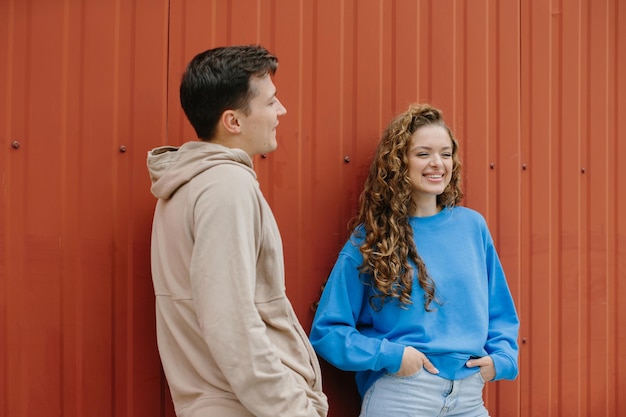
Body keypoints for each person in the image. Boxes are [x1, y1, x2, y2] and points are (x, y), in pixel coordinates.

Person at [147, 45, 328, 417]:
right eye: (271, 102)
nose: (282, 112)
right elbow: (231, 323)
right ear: (233, 121)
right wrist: (293, 409)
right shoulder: (225, 187)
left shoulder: (188, 185)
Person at [309, 103, 519, 416]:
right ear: (398, 162)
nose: (437, 163)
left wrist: (501, 360)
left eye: (445, 154)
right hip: (403, 395)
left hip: (469, 397)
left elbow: (500, 310)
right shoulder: (372, 238)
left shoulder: (472, 226)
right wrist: (392, 356)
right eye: (423, 154)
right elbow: (328, 331)